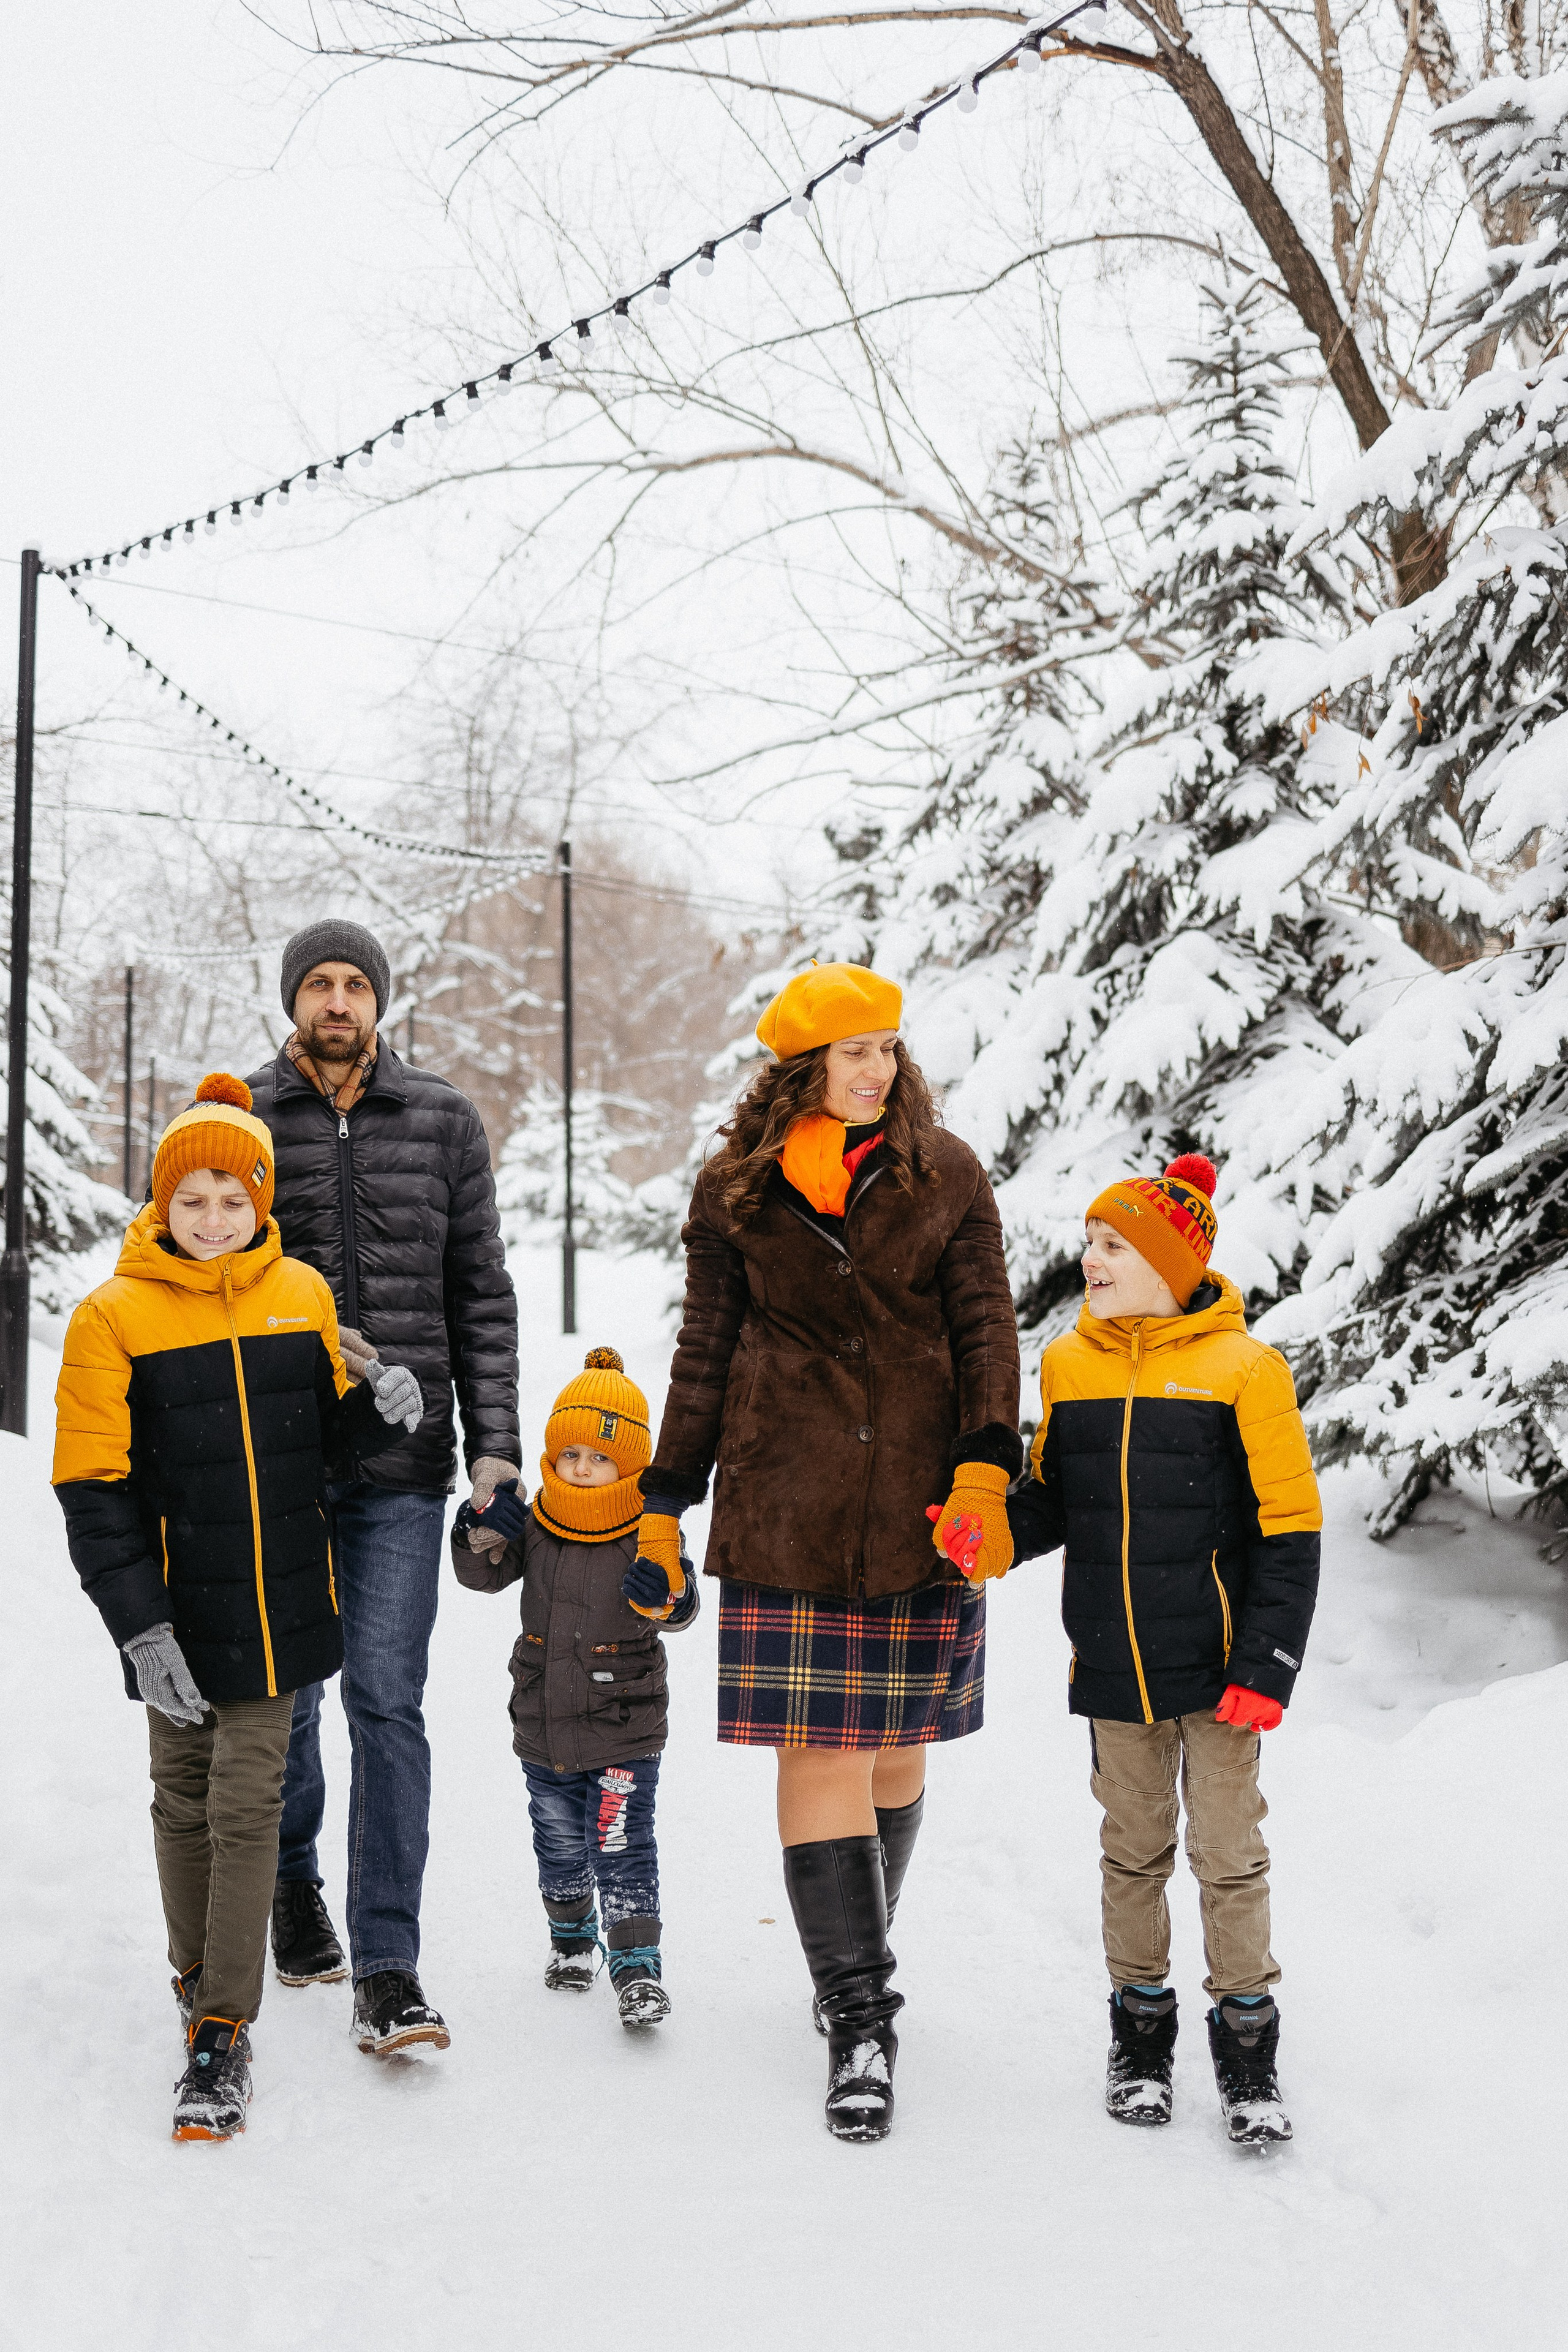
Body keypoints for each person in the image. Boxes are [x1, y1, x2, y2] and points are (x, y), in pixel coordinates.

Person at [633, 962, 1021, 2141]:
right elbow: (705, 1352)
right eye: (854, 1050)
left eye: (889, 1048)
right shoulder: (735, 1194)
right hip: (787, 1502)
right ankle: (859, 2014)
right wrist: (664, 1502)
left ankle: (855, 1941)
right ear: (803, 1064)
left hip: (919, 1506)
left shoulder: (945, 1173)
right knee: (821, 1753)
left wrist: (986, 1465)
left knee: (897, 1754)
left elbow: (987, 1330)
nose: (877, 1068)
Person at [51, 1075, 423, 2140]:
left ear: (262, 1203)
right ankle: (193, 1977)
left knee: (247, 1801)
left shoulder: (300, 1295)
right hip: (171, 1607)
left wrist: (379, 1413)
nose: (214, 1217)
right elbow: (93, 1489)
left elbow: (322, 1446)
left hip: (281, 1608)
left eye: (234, 1197)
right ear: (160, 1202)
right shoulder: (111, 1317)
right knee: (180, 1799)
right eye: (193, 1196)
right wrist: (138, 1624)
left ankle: (222, 2026)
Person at [247, 919, 521, 2057]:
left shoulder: (444, 1120)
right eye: (320, 983)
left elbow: (482, 1296)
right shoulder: (243, 1120)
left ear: (380, 1000)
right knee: (295, 1701)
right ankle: (295, 1881)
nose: (339, 1000)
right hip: (279, 1461)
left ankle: (391, 1965)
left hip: (407, 1468)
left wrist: (493, 1448)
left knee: (388, 1703)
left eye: (356, 982)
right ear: (294, 1001)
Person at [1008, 1153, 1321, 2145]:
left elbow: (1292, 1526)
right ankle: (1140, 2036)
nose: (1090, 1259)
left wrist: (1269, 1662)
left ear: (1166, 1262)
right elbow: (1057, 1495)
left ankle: (1247, 2046)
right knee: (1131, 1854)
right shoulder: (1067, 1363)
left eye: (1111, 1245)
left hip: (1223, 1671)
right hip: (1111, 1660)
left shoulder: (1245, 1371)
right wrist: (996, 1534)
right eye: (1089, 1243)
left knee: (1229, 1858)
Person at [452, 1346, 700, 2029]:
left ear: (631, 1465)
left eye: (600, 1458)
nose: (583, 1469)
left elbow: (679, 1606)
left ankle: (637, 1968)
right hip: (543, 1718)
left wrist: (667, 1597)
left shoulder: (651, 1530)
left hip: (624, 1723)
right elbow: (483, 1577)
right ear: (553, 1457)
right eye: (571, 1456)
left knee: (619, 1843)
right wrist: (473, 1532)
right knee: (559, 1840)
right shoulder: (536, 1524)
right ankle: (569, 1941)